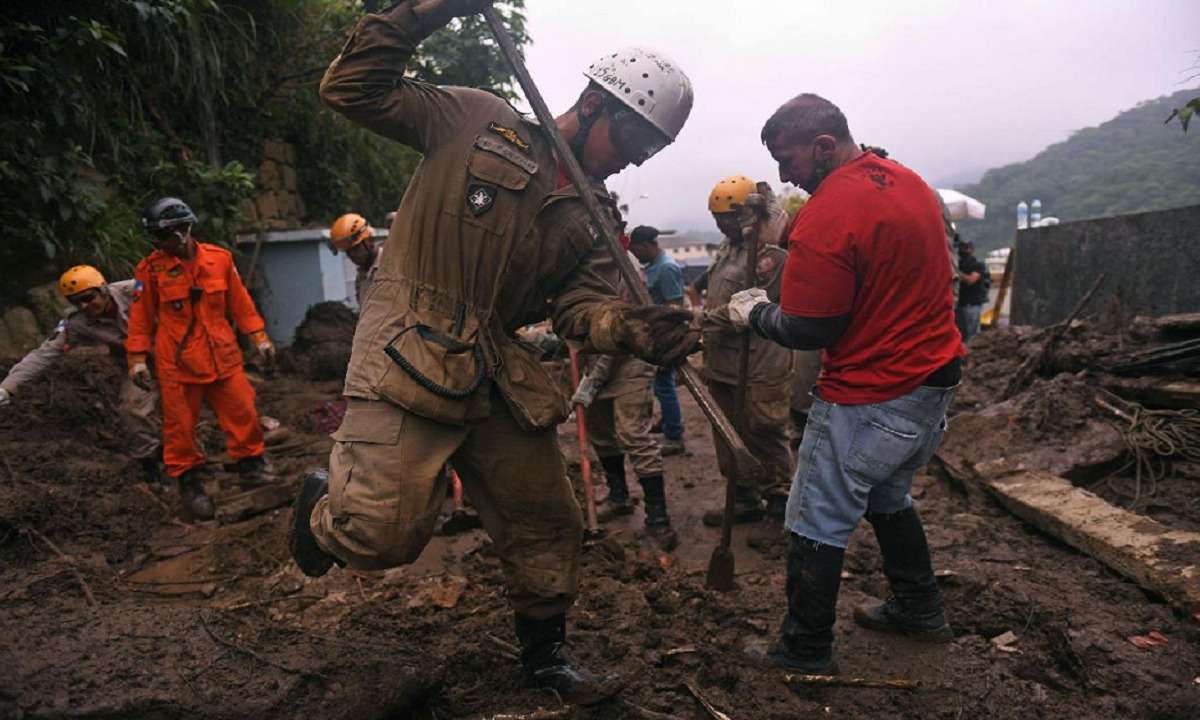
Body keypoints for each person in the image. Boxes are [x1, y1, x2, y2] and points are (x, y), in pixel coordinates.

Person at [288, 0, 696, 705]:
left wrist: (631, 328)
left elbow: (579, 310)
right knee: (380, 539)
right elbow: (352, 88)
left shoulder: (595, 217)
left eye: (651, 149)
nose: (636, 156)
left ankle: (544, 659)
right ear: (596, 103)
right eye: (633, 135)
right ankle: (325, 510)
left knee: (546, 520)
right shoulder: (477, 118)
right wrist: (427, 11)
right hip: (409, 347)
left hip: (495, 369)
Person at [728, 93, 963, 673]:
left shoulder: (829, 212)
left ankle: (805, 647)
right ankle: (920, 608)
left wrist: (755, 310)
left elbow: (810, 328)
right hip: (931, 384)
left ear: (825, 146)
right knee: (888, 495)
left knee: (815, 515)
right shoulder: (907, 182)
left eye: (790, 161)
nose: (784, 176)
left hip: (871, 391)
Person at [126, 197, 277, 521]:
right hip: (177, 364)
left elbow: (241, 305)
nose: (158, 243)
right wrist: (137, 358)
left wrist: (260, 338)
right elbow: (140, 317)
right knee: (179, 429)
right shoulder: (151, 271)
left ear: (181, 232)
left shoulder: (219, 261)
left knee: (243, 413)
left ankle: (252, 467)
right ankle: (190, 486)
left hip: (222, 355)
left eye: (161, 236)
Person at [0, 266, 162, 480]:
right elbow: (44, 353)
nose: (84, 306)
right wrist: (7, 386)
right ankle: (151, 461)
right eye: (76, 302)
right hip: (136, 366)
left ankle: (196, 456)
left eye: (88, 297)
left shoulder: (134, 291)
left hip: (177, 353)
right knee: (131, 410)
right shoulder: (77, 323)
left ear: (103, 289)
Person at [696, 175, 795, 524]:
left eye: (728, 218)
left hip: (760, 363)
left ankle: (780, 499)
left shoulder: (771, 255)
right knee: (728, 430)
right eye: (717, 220)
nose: (723, 226)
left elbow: (746, 309)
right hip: (723, 361)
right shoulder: (728, 250)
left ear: (747, 215)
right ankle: (743, 496)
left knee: (765, 431)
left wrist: (699, 323)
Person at [627, 225, 687, 456]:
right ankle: (668, 425)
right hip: (653, 336)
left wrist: (668, 342)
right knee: (660, 386)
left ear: (646, 246)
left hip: (664, 337)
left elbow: (675, 307)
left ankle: (674, 436)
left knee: (664, 386)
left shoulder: (667, 268)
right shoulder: (653, 267)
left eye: (636, 250)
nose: (636, 255)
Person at [328, 212, 383, 308]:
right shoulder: (362, 276)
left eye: (355, 248)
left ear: (369, 240)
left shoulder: (391, 265)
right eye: (347, 251)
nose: (352, 255)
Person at [955, 238, 988, 343]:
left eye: (966, 248)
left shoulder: (978, 265)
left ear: (972, 249)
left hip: (972, 304)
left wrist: (956, 272)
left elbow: (971, 280)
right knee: (961, 334)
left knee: (972, 335)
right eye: (962, 247)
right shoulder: (958, 263)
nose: (964, 250)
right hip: (960, 303)